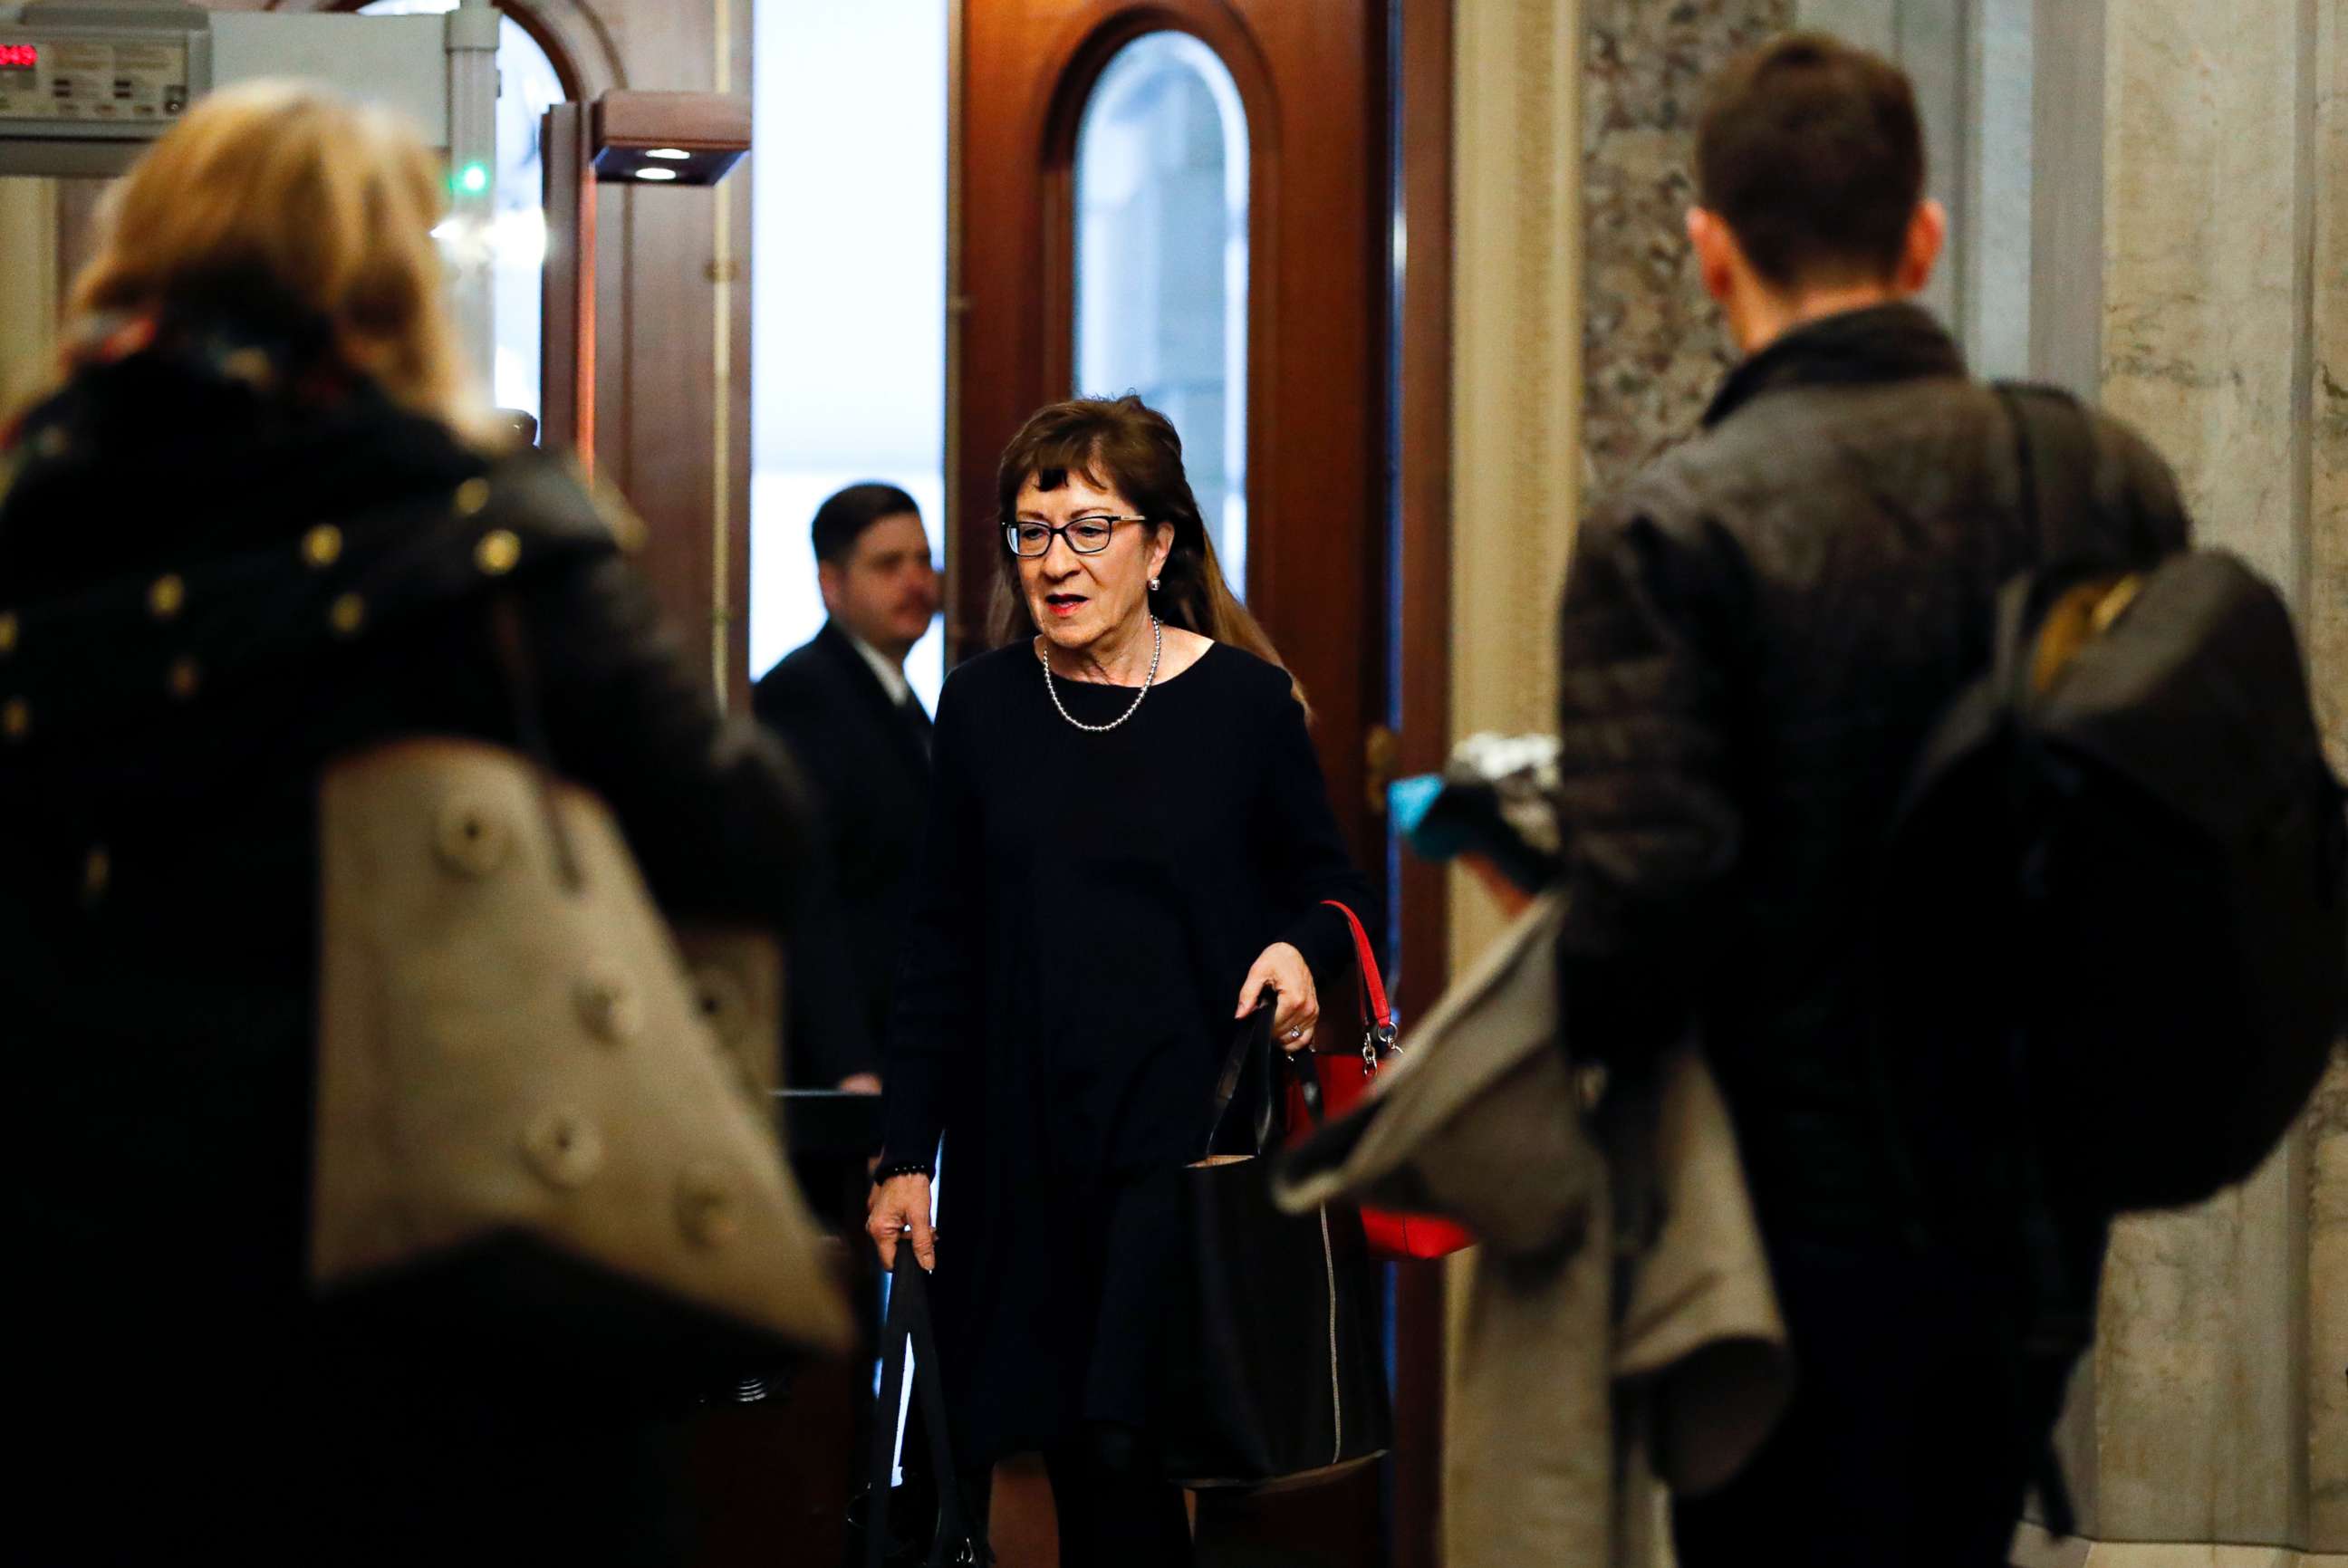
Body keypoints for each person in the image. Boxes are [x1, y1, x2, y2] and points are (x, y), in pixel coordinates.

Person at [0, 82, 828, 1564]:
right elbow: (746, 831)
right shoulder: (484, 539)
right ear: (388, 292)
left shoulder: (32, 531)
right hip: (462, 1290)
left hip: (88, 1318)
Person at [1547, 34, 2189, 1567]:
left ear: (1706, 253)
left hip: (1771, 1257)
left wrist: (1547, 907)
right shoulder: (2097, 480)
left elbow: (1641, 941)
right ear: (1922, 237)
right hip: (2027, 1219)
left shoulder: (1667, 531)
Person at [863, 395, 1376, 1564]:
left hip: (1177, 1148)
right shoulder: (984, 705)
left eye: (1091, 528)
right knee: (1027, 1443)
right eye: (1033, 530)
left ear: (1158, 545)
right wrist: (903, 1154)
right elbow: (936, 942)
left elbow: (1337, 889)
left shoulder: (1243, 707)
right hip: (1017, 1152)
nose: (1057, 560)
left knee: (1127, 1443)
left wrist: (1302, 950)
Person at [754, 483, 940, 1091]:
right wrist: (848, 1065)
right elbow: (806, 892)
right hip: (846, 1064)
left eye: (922, 560)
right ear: (831, 584)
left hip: (909, 1049)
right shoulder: (803, 694)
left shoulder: (904, 700)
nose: (916, 581)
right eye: (889, 565)